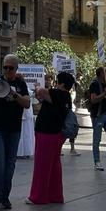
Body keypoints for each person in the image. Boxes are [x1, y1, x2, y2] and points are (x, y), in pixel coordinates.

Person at [0, 54, 33, 209]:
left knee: (10, 163)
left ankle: (5, 197)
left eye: (10, 68)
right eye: (5, 67)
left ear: (16, 68)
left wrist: (14, 93)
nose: (7, 70)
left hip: (13, 129)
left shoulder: (20, 84)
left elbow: (26, 103)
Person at [28, 71, 74, 204]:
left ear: (62, 84)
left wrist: (37, 86)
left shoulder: (58, 93)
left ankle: (38, 196)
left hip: (46, 132)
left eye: (57, 82)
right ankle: (55, 195)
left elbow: (41, 92)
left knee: (42, 165)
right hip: (57, 133)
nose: (55, 84)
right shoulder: (67, 97)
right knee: (54, 166)